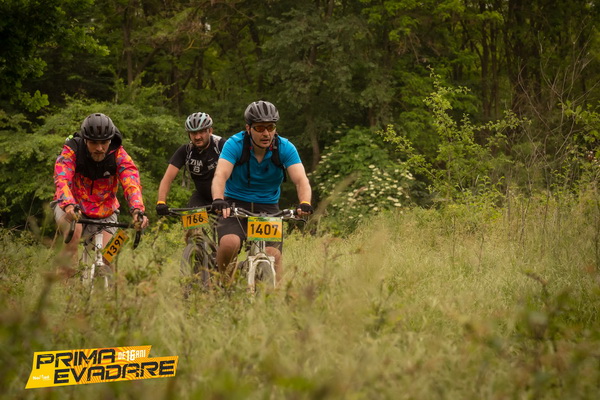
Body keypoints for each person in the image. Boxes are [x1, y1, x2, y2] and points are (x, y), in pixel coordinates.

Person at [211, 100, 313, 284]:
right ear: (248, 128)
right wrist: (218, 199)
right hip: (235, 203)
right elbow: (220, 175)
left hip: (267, 206)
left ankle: (275, 296)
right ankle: (222, 286)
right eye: (259, 128)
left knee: (273, 255)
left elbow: (301, 180)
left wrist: (304, 202)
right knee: (229, 243)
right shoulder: (235, 144)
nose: (266, 133)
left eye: (270, 127)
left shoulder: (285, 147)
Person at [52, 113, 149, 273]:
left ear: (110, 140)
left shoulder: (119, 154)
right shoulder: (72, 149)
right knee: (73, 236)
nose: (99, 148)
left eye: (104, 143)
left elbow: (131, 182)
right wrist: (68, 205)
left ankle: (106, 287)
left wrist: (137, 210)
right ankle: (66, 285)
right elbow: (62, 178)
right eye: (93, 143)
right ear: (85, 140)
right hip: (73, 207)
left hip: (106, 211)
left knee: (109, 258)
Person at [155, 112, 225, 214]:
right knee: (192, 221)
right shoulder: (186, 151)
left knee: (225, 223)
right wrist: (161, 202)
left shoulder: (221, 145)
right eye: (193, 133)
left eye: (201, 132)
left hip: (224, 196)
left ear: (210, 131)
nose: (197, 137)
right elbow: (167, 178)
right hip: (201, 197)